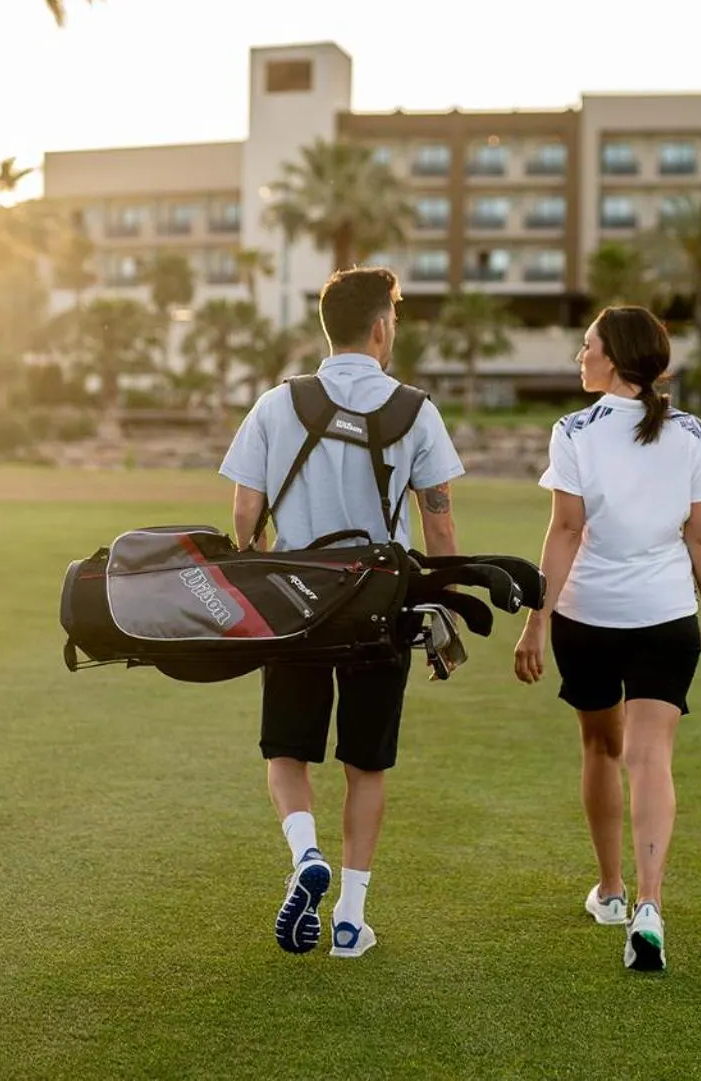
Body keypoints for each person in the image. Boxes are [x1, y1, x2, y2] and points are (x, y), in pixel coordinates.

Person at [219, 266, 463, 960]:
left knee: (287, 752)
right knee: (366, 764)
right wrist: (440, 609)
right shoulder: (416, 409)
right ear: (382, 327)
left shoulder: (275, 403)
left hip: (295, 606)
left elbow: (243, 516)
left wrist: (265, 574)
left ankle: (305, 857)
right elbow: (440, 530)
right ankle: (351, 919)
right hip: (380, 609)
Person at [512, 306, 701, 973]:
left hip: (589, 616)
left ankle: (612, 890)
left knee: (601, 748)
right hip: (665, 618)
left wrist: (536, 618)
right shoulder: (690, 430)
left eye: (587, 346)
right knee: (649, 758)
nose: (579, 355)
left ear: (614, 360)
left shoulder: (573, 429)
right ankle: (649, 905)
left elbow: (566, 529)